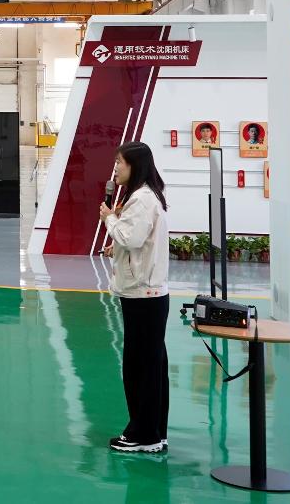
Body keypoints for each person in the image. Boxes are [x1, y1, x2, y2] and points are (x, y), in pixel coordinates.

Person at [98, 141, 171, 454]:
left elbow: (131, 236)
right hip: (147, 293)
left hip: (143, 294)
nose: (115, 169)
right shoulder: (145, 196)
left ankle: (143, 434)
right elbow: (137, 240)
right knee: (151, 365)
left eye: (120, 163)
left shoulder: (141, 199)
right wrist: (117, 246)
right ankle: (154, 430)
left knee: (140, 366)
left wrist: (108, 218)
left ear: (135, 166)